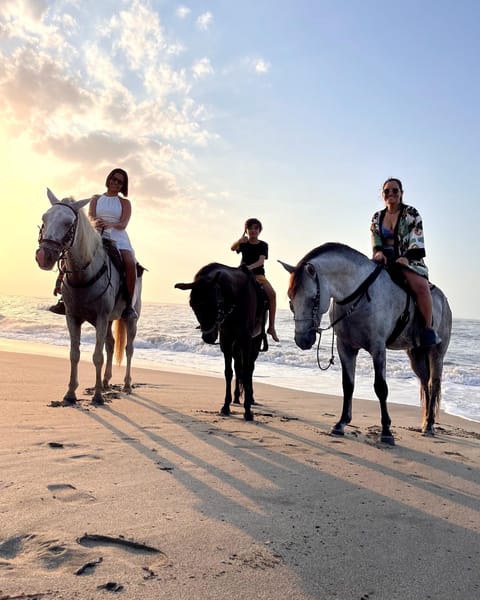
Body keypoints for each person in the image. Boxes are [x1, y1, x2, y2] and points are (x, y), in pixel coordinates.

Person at [49, 168, 138, 319]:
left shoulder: (125, 202)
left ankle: (129, 305)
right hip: (97, 235)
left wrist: (110, 223)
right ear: (109, 179)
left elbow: (123, 223)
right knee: (72, 258)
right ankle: (64, 299)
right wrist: (97, 223)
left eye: (120, 181)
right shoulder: (96, 199)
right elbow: (90, 217)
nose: (116, 182)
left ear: (123, 185)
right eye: (114, 179)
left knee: (129, 263)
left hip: (119, 237)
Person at [370, 177, 440, 347]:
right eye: (387, 191)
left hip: (409, 260)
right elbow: (375, 239)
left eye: (395, 190)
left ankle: (428, 328)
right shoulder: (377, 217)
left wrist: (406, 257)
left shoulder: (412, 214)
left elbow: (417, 240)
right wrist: (378, 252)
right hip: (384, 261)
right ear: (383, 194)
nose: (391, 194)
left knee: (422, 288)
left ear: (401, 193)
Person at [231, 217, 279, 342]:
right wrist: (239, 241)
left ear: (259, 231)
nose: (253, 231)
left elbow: (260, 261)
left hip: (258, 275)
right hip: (241, 274)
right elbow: (232, 248)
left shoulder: (263, 245)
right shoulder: (244, 243)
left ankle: (271, 327)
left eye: (255, 228)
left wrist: (248, 268)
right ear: (246, 230)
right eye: (250, 228)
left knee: (272, 295)